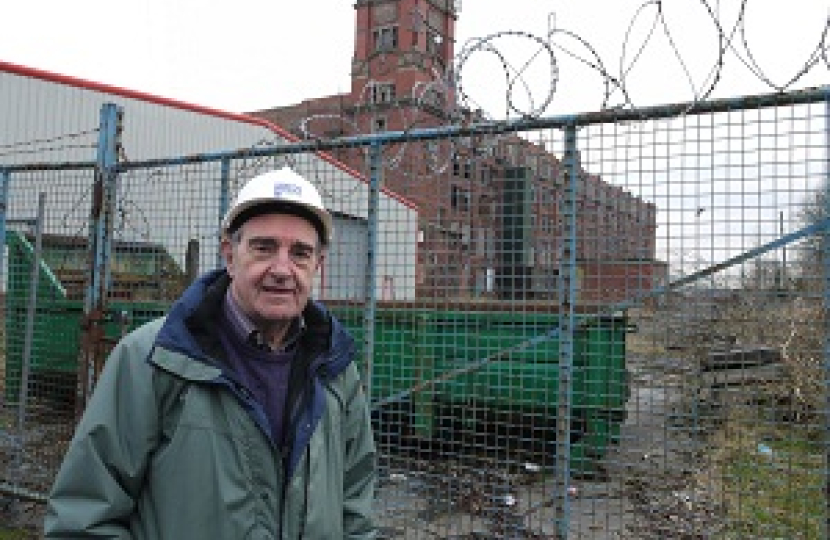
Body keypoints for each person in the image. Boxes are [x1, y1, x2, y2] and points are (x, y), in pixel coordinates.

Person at [44, 167, 378, 539]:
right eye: (264, 248)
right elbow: (84, 517)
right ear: (229, 255)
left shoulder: (335, 369)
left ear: (318, 266)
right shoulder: (153, 359)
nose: (282, 269)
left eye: (300, 253)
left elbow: (356, 510)